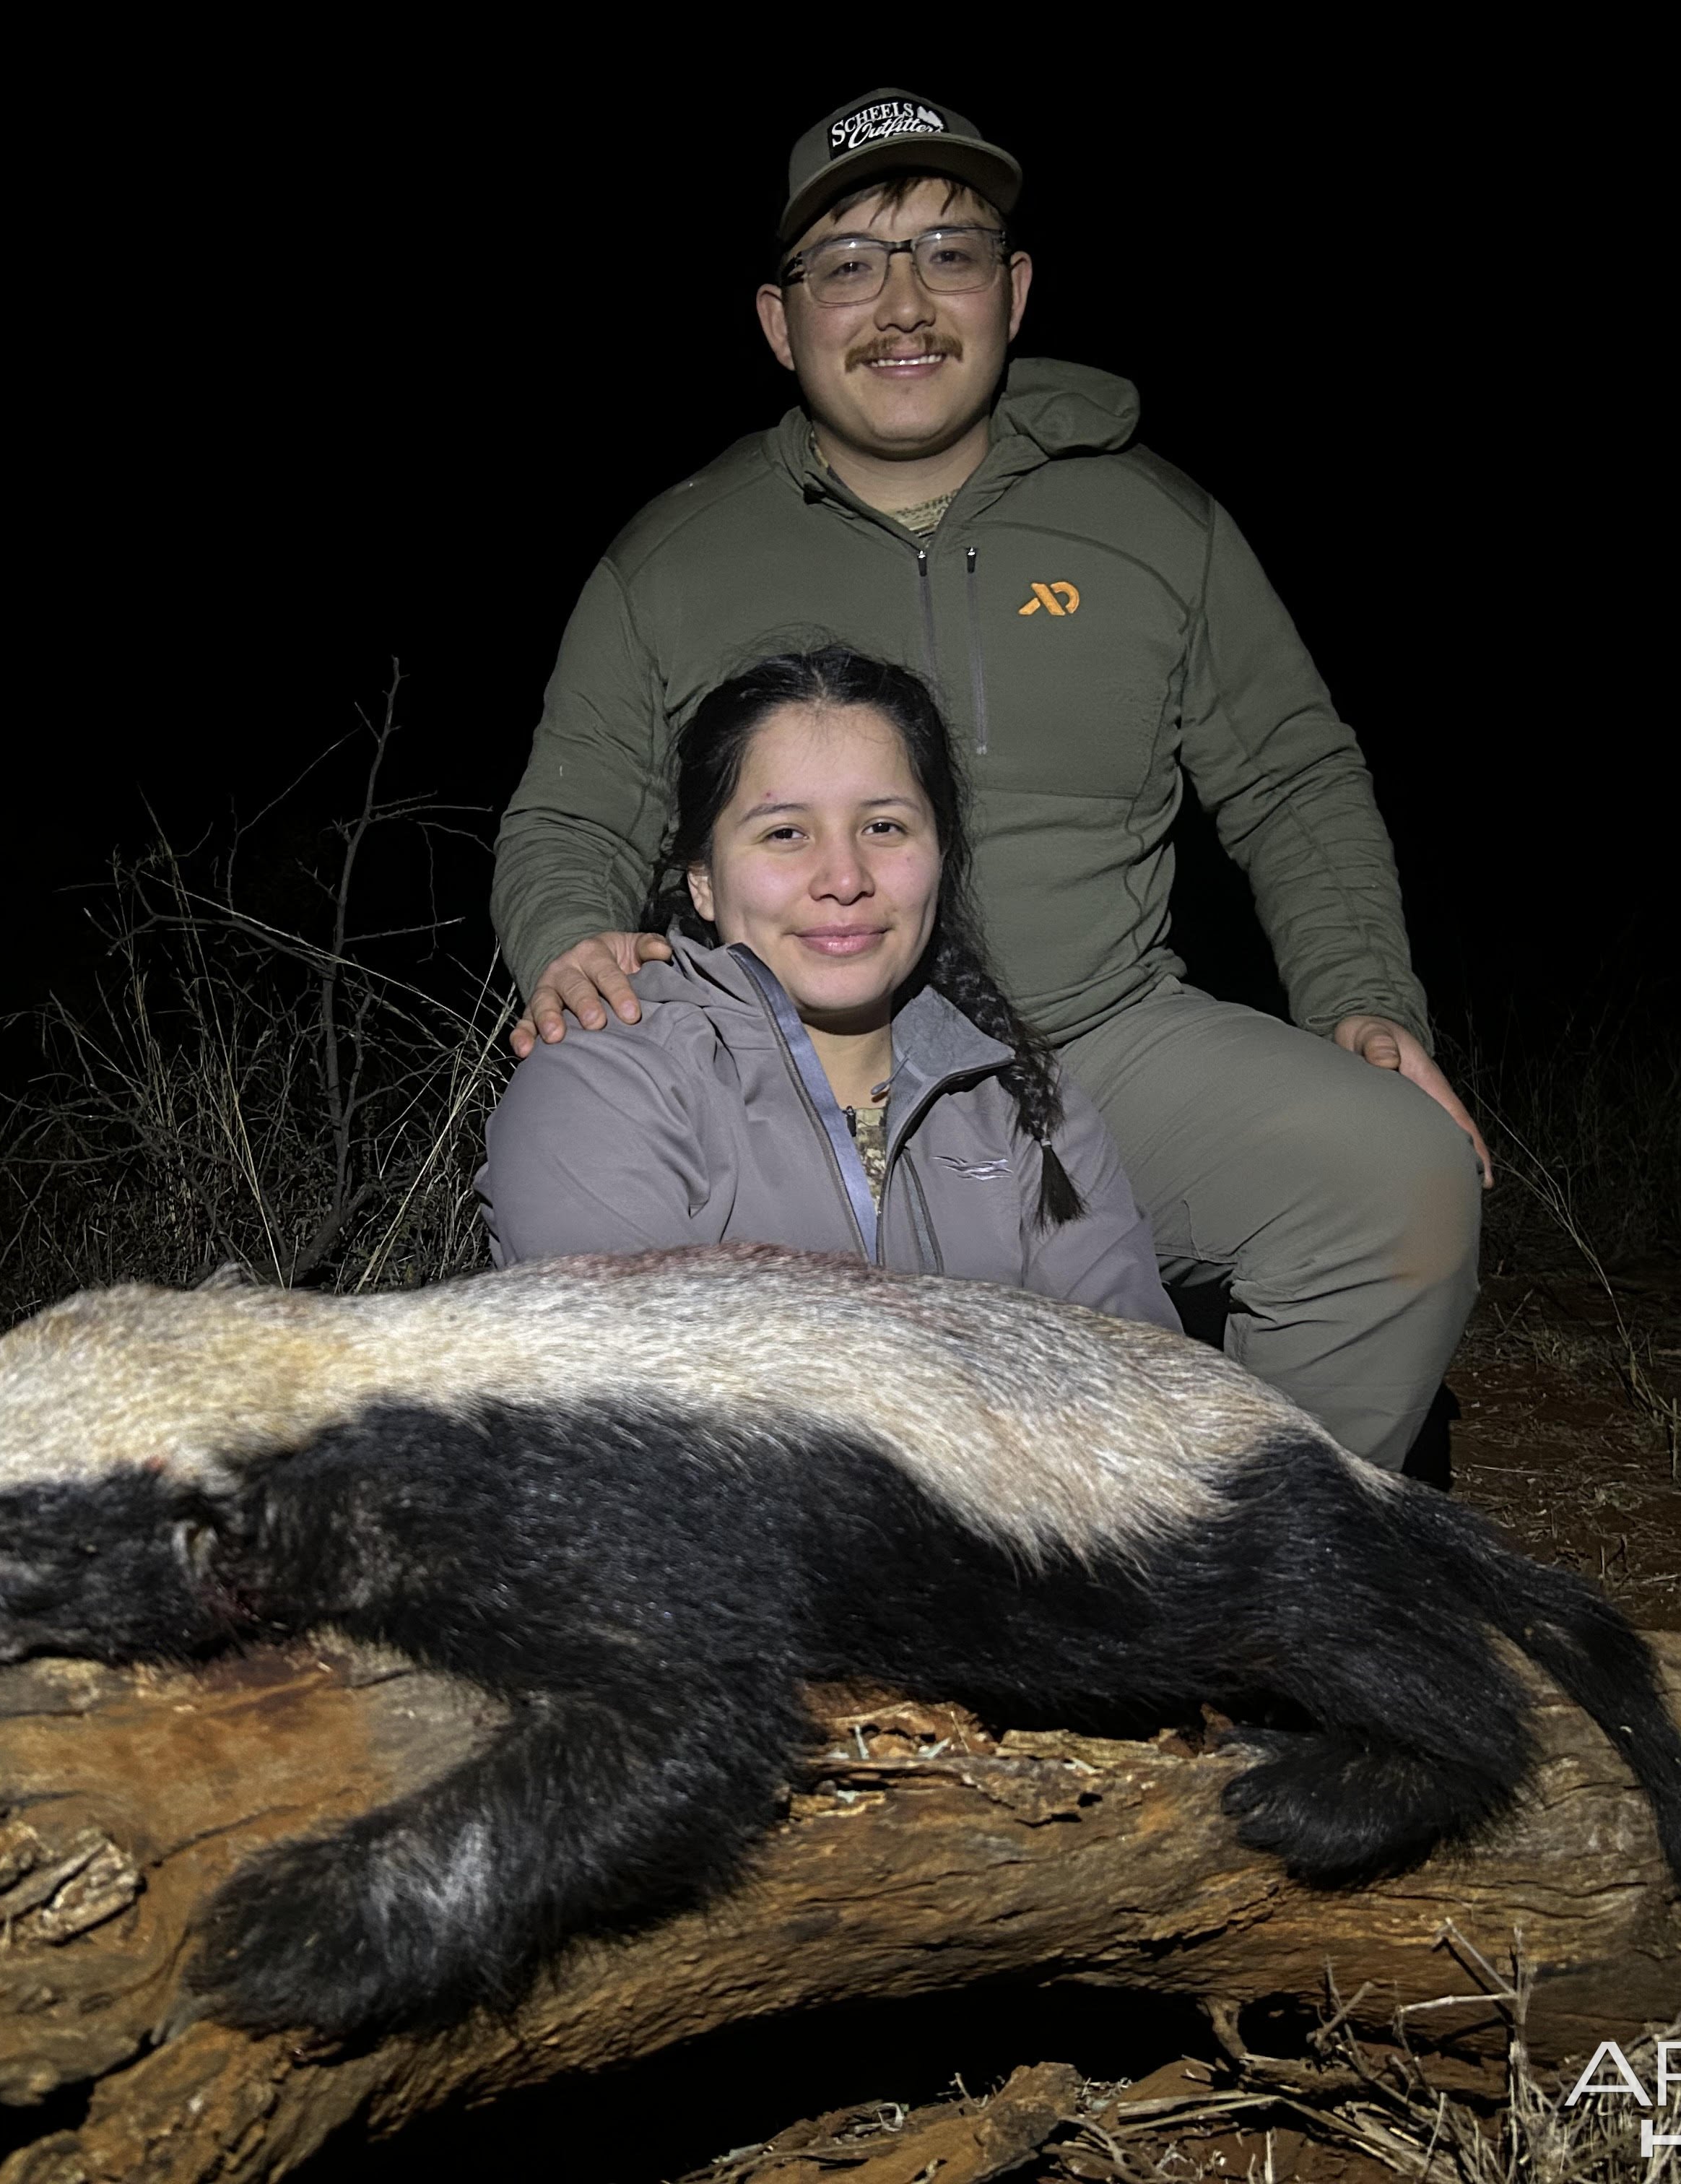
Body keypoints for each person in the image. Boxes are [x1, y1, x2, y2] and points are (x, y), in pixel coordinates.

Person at [492, 89, 1483, 1469]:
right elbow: (568, 808)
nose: (901, 301)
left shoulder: (1158, 524)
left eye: (947, 253)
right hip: (794, 1065)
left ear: (1012, 292)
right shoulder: (669, 558)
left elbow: (1293, 777)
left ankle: (1239, 1593)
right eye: (847, 263)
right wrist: (564, 941)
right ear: (781, 322)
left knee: (1398, 1173)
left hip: (1100, 1035)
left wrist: (1363, 993)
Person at [479, 646, 1175, 1331]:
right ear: (702, 878)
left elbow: (1147, 1399)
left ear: (941, 854)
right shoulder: (605, 1084)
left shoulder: (1023, 1102)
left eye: (883, 826)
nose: (844, 878)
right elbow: (642, 1404)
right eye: (785, 833)